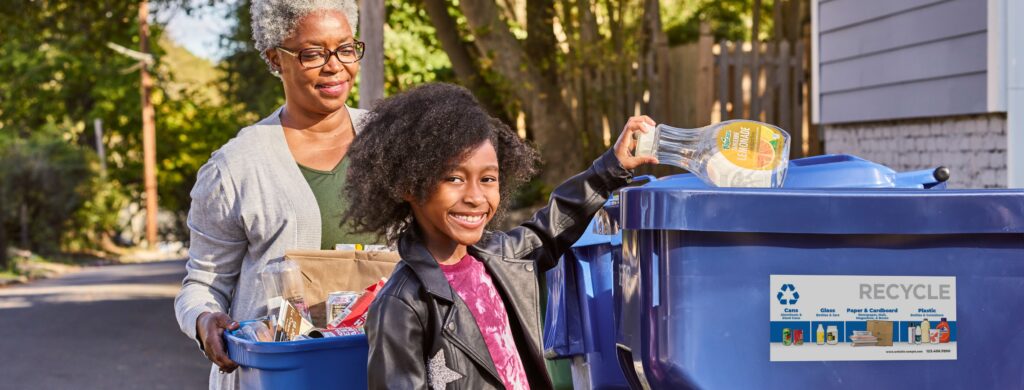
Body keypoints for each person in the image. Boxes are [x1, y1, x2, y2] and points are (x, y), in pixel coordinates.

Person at [347, 83, 658, 389]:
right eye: (454, 178)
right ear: (408, 185)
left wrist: (612, 168)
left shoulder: (502, 256)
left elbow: (553, 224)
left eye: (488, 179)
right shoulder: (401, 305)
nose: (475, 196)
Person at [173, 1, 371, 388]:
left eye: (345, 48)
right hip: (279, 378)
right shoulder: (236, 167)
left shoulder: (395, 143)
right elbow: (203, 283)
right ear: (276, 59)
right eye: (312, 53)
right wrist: (203, 319)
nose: (334, 65)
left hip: (382, 370)